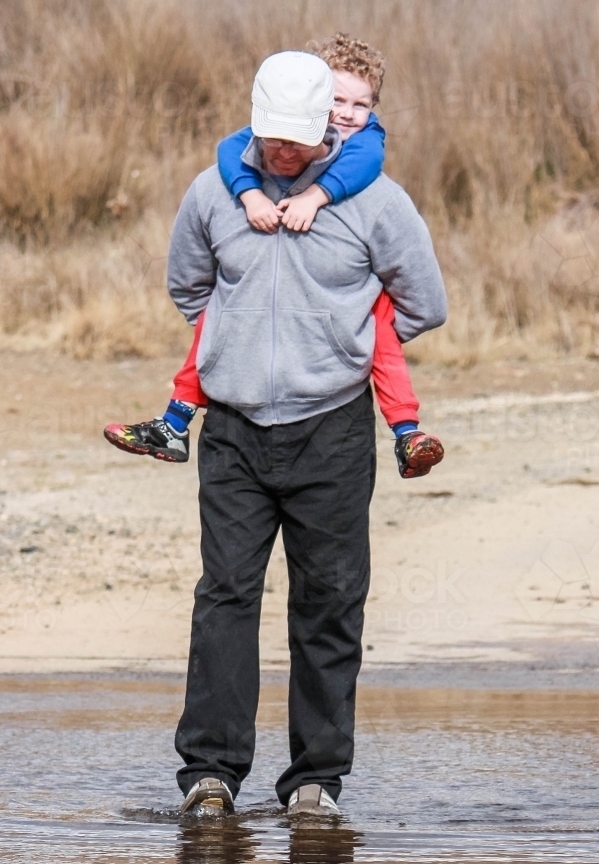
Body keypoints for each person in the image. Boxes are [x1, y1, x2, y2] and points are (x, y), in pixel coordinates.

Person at [163, 50, 446, 817]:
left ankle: (314, 782)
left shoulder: (377, 202)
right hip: (234, 432)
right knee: (224, 598)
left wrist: (339, 346)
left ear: (328, 121)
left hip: (331, 432)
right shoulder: (213, 193)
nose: (284, 150)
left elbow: (423, 302)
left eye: (299, 136)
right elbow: (189, 286)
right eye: (272, 135)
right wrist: (239, 345)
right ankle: (210, 776)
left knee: (328, 602)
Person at [104, 35, 444, 480]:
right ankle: (174, 422)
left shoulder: (368, 155)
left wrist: (344, 334)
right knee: (221, 312)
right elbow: (230, 150)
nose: (346, 113)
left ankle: (405, 429)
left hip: (333, 418)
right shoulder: (234, 164)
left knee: (377, 323)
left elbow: (425, 303)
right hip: (235, 424)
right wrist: (247, 196)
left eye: (360, 105)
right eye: (337, 100)